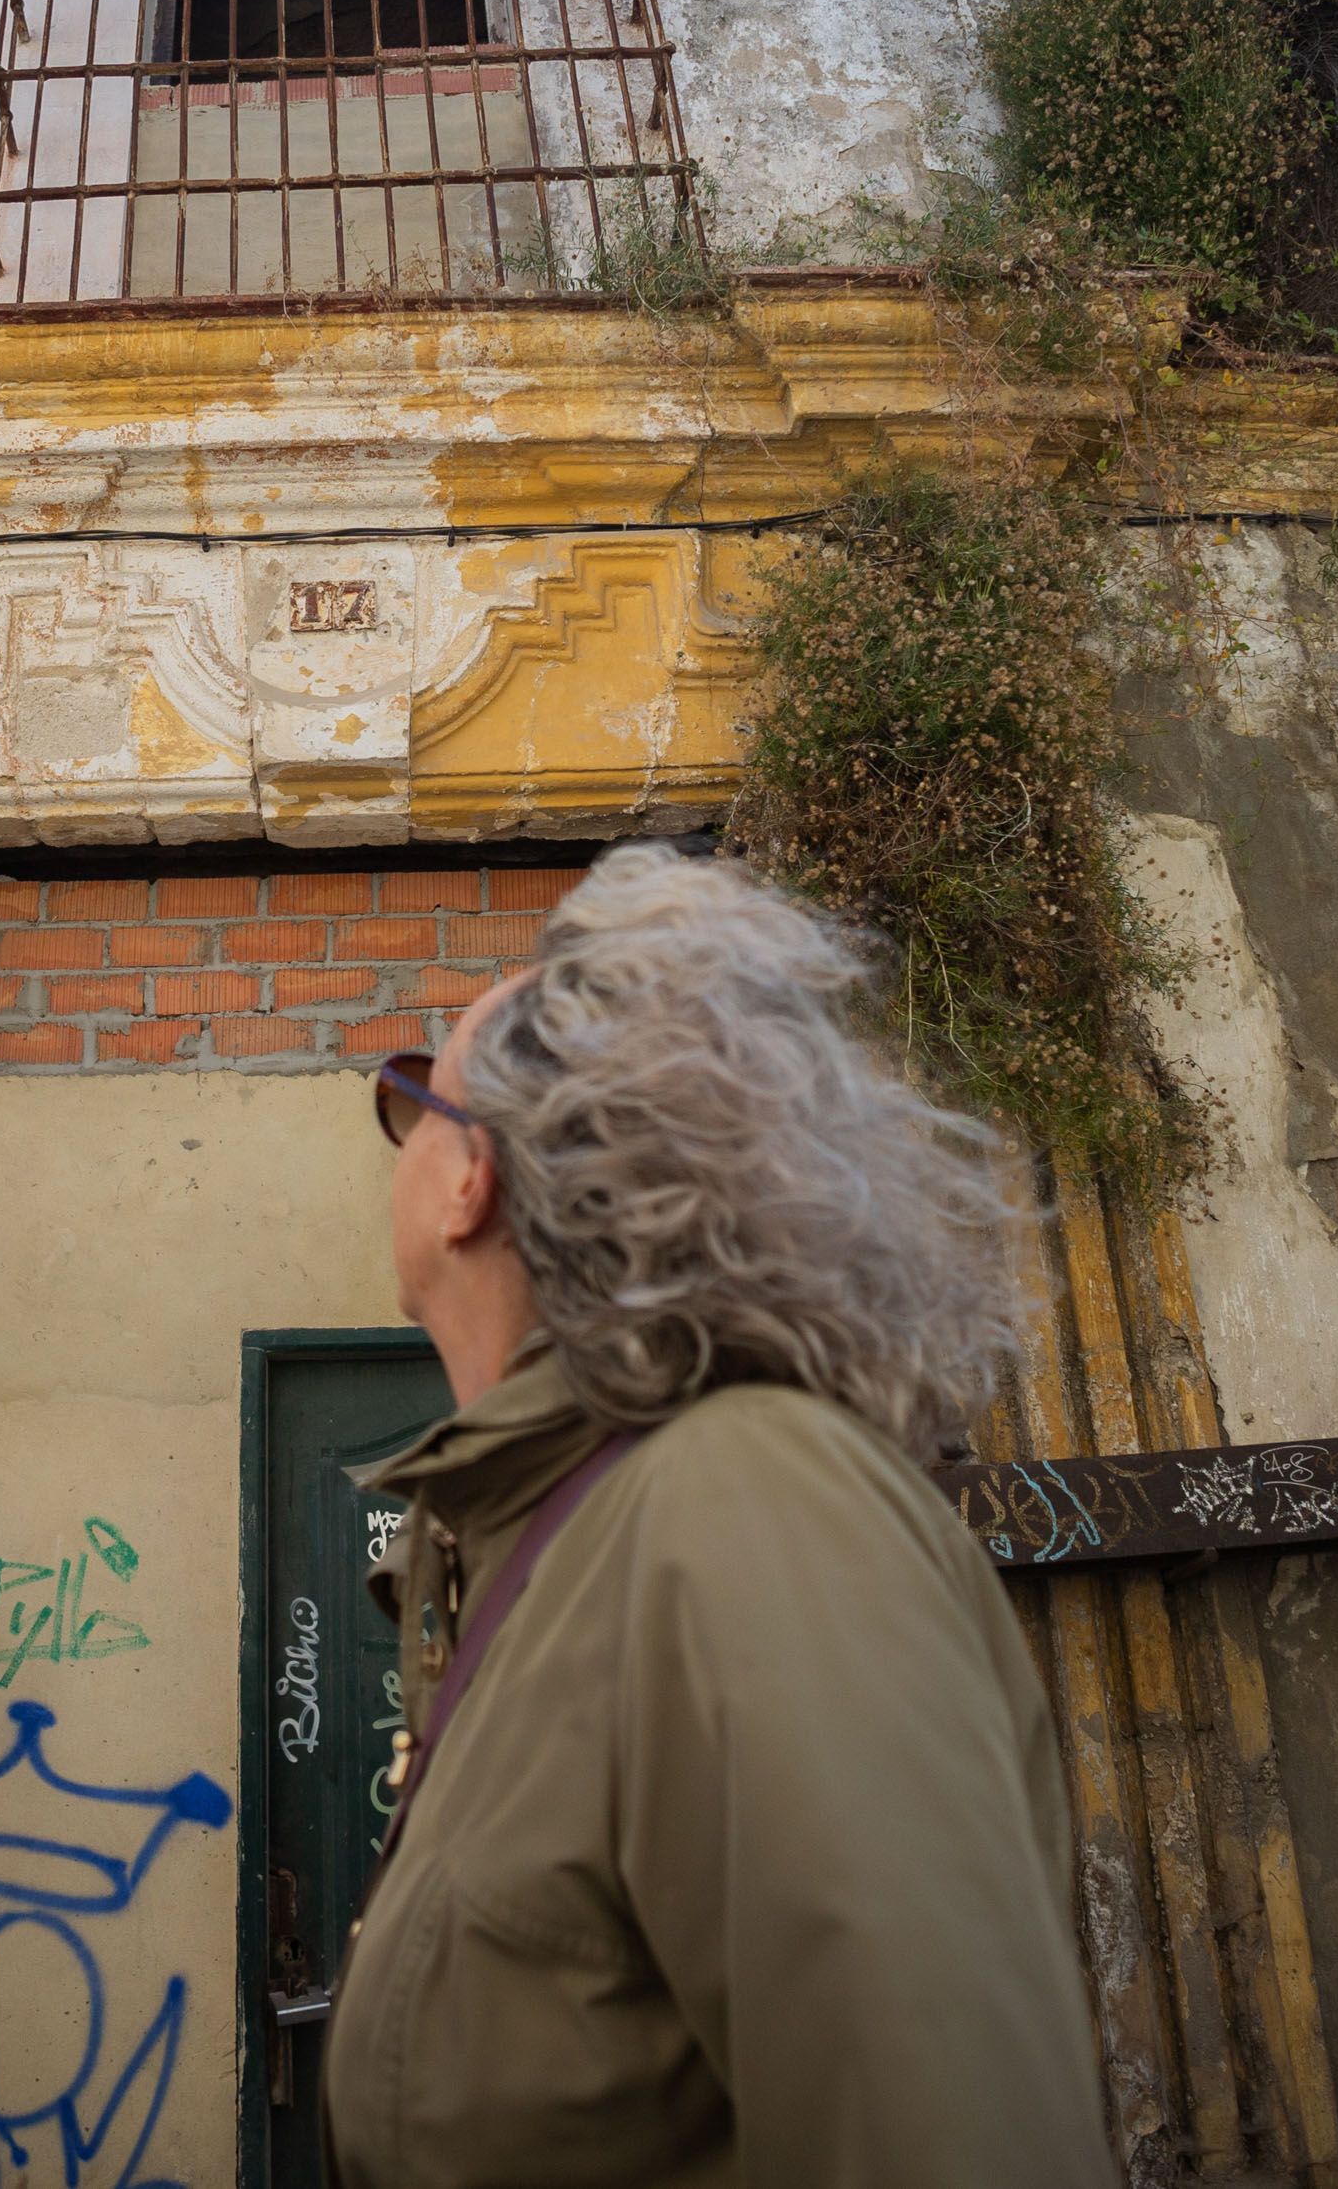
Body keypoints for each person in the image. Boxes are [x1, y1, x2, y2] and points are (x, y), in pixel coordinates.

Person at [325, 845, 1112, 2187]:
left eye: (417, 1103)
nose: (401, 1151)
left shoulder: (753, 1506)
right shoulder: (542, 1539)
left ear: (471, 1183)